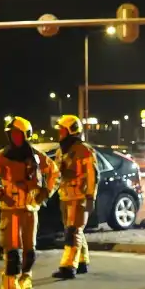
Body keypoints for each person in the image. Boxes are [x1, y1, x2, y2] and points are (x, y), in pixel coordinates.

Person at [0, 116, 59, 289]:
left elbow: (54, 173)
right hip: (10, 210)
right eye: (12, 134)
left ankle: (25, 284)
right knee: (12, 251)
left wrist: (45, 193)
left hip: (30, 209)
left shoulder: (37, 157)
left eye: (18, 134)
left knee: (30, 251)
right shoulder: (1, 156)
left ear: (26, 136)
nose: (15, 138)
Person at [53, 114, 98, 280]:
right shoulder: (61, 151)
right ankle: (82, 261)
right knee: (73, 229)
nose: (60, 133)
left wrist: (90, 197)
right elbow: (56, 174)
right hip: (65, 195)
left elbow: (93, 175)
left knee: (73, 231)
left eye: (62, 130)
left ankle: (68, 266)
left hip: (79, 196)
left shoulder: (84, 150)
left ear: (71, 131)